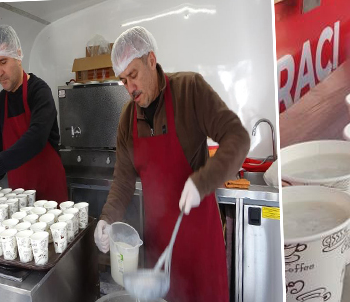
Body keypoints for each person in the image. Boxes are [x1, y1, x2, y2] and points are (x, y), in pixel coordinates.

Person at [92, 27, 249, 302]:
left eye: (133, 75)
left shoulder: (190, 90)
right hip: (159, 247)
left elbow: (237, 137)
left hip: (201, 242)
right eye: (123, 80)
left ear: (151, 60)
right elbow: (123, 180)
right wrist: (107, 219)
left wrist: (202, 182)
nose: (130, 88)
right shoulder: (127, 118)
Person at [0, 26, 69, 205]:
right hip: (19, 200)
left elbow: (36, 139)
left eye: (3, 62)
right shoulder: (1, 101)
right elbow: (1, 150)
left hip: (50, 196)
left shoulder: (39, 91)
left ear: (18, 56)